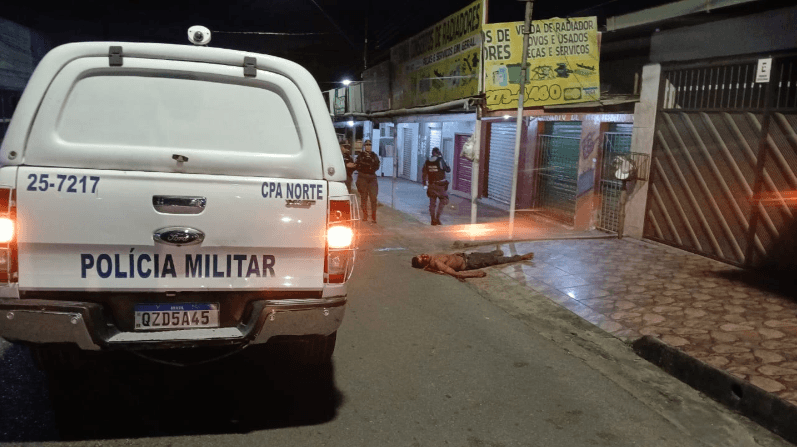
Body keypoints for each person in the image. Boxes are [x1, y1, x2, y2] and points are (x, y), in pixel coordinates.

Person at [411, 249, 534, 282]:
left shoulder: (431, 261)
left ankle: (495, 253)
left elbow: (428, 268)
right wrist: (475, 274)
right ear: (424, 263)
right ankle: (520, 257)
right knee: (496, 260)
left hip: (467, 256)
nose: (424, 256)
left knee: (488, 255)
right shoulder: (437, 264)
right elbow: (456, 274)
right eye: (422, 259)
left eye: (421, 255)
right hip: (470, 262)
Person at [422, 147, 451, 226]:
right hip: (440, 186)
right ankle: (437, 218)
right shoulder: (440, 160)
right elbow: (448, 170)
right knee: (444, 200)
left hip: (431, 185)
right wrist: (443, 159)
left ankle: (433, 220)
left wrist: (424, 184)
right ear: (438, 153)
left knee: (432, 203)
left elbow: (424, 173)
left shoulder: (427, 162)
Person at [355, 140, 380, 223]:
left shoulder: (374, 155)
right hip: (363, 177)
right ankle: (365, 216)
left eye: (369, 145)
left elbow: (377, 165)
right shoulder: (361, 155)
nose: (368, 147)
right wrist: (365, 166)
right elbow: (357, 165)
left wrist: (370, 167)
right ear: (364, 146)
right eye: (367, 145)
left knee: (373, 198)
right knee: (364, 197)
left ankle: (373, 217)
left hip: (372, 178)